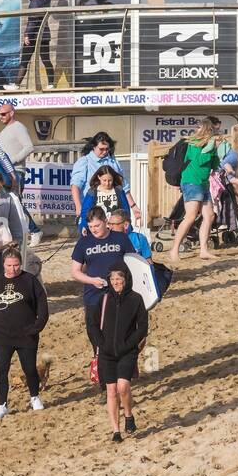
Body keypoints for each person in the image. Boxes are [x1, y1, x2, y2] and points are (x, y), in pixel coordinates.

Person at [0, 247, 48, 419]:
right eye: (9, 265)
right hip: (2, 334)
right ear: (3, 264)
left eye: (16, 265)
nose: (12, 269)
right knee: (2, 369)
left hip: (26, 333)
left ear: (21, 264)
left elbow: (43, 306)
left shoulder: (30, 280)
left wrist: (36, 327)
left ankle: (34, 396)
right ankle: (2, 405)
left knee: (29, 368)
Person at [88, 262, 148, 443]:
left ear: (126, 279)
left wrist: (130, 344)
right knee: (111, 391)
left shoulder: (136, 299)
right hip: (106, 352)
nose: (116, 282)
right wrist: (101, 343)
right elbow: (92, 325)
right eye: (113, 279)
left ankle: (128, 414)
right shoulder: (103, 299)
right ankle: (116, 430)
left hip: (127, 351)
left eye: (119, 278)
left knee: (123, 387)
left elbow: (142, 327)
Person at [72, 206, 136, 347]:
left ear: (106, 222)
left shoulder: (121, 238)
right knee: (94, 331)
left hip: (119, 294)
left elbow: (134, 263)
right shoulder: (84, 242)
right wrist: (91, 280)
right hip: (93, 295)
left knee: (121, 331)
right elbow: (75, 271)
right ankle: (98, 358)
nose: (94, 229)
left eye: (97, 225)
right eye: (90, 226)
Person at [167, 117, 221, 263]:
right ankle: (174, 250)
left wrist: (217, 151)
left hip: (203, 183)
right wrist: (210, 149)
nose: (217, 133)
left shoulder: (210, 145)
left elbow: (214, 165)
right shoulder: (194, 143)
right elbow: (199, 161)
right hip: (191, 182)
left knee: (209, 215)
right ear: (207, 130)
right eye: (214, 130)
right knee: (191, 216)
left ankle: (203, 250)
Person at [0, 101, 42, 244]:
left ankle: (35, 231)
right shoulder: (4, 131)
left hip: (16, 171)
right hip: (7, 171)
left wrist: (12, 161)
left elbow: (29, 147)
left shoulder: (19, 127)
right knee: (10, 204)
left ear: (12, 113)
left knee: (16, 204)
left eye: (3, 114)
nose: (1, 117)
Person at [71, 132, 141, 228]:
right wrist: (78, 207)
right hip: (92, 209)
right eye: (101, 149)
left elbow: (123, 186)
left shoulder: (113, 161)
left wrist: (133, 206)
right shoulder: (85, 162)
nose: (104, 152)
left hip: (113, 212)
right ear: (94, 147)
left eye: (107, 149)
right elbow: (75, 186)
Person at [9, 0, 54, 89]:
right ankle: (51, 84)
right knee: (46, 59)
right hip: (43, 35)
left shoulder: (34, 3)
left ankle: (16, 85)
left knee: (24, 60)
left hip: (33, 36)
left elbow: (32, 21)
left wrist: (27, 35)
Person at [79, 165, 139, 231]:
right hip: (99, 229)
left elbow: (125, 210)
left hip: (116, 228)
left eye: (110, 180)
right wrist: (84, 226)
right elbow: (85, 211)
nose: (107, 183)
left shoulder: (118, 190)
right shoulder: (92, 192)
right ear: (99, 177)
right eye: (104, 180)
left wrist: (127, 226)